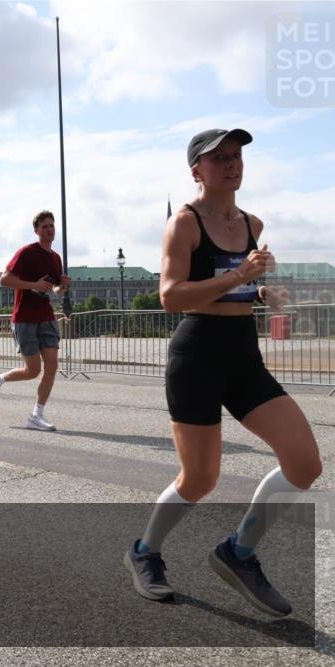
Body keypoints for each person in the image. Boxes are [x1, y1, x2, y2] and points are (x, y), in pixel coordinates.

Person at [123, 128, 322, 617]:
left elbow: (242, 290)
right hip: (197, 357)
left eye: (236, 157)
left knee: (305, 463)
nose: (232, 164)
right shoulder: (184, 224)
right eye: (219, 159)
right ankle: (144, 551)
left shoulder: (253, 222)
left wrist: (264, 294)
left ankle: (239, 552)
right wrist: (240, 277)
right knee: (200, 477)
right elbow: (172, 296)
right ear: (196, 171)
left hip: (243, 357)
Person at [0, 210, 71, 431]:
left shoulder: (55, 258)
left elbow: (55, 290)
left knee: (52, 364)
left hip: (46, 315)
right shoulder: (26, 252)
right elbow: (4, 280)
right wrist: (33, 284)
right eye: (44, 226)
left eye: (51, 226)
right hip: (24, 318)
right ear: (36, 230)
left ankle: (36, 415)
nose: (49, 230)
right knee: (32, 371)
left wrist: (63, 286)